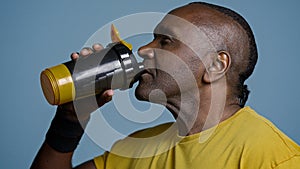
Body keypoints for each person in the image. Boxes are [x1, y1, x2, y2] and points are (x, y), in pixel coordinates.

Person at [31, 2, 300, 169]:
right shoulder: (137, 147)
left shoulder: (274, 158)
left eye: (165, 41)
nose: (144, 49)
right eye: (152, 39)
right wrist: (70, 119)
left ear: (215, 66)